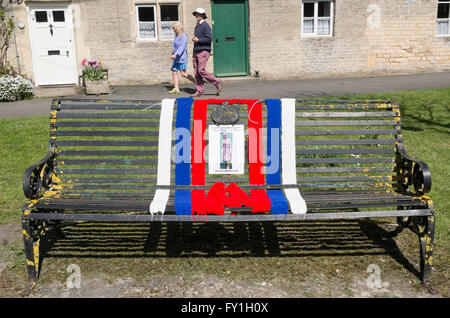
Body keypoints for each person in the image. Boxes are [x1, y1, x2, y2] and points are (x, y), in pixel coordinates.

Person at [190, 8, 223, 97]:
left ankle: (217, 82)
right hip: (196, 51)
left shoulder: (205, 25)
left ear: (203, 15)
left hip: (203, 51)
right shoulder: (197, 26)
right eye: (196, 14)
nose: (197, 15)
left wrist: (198, 40)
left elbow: (209, 39)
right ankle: (200, 91)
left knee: (201, 70)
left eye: (199, 14)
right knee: (196, 73)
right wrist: (196, 41)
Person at [168, 22, 195, 94]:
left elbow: (182, 47)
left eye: (174, 28)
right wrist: (173, 54)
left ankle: (196, 82)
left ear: (177, 28)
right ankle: (176, 88)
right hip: (176, 58)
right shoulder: (177, 36)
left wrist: (175, 54)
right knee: (174, 72)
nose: (173, 30)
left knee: (183, 73)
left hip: (181, 58)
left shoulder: (184, 36)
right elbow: (176, 47)